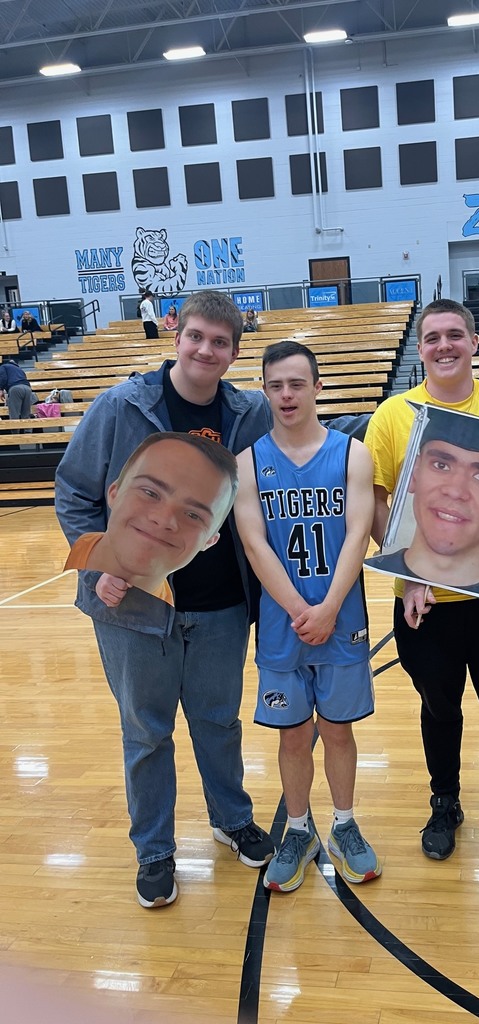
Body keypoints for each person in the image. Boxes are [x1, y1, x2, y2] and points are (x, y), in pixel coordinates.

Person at [55, 291, 277, 909]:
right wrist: (99, 561)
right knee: (146, 734)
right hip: (133, 607)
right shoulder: (121, 405)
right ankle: (154, 852)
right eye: (197, 336)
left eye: (220, 342)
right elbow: (74, 492)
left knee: (219, 722)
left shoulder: (250, 414)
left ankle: (231, 820)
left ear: (234, 353)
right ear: (176, 335)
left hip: (222, 604)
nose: (206, 350)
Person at [365, 298, 479, 864]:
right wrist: (411, 572)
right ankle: (444, 802)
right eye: (432, 338)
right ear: (420, 350)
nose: (443, 346)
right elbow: (376, 503)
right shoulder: (392, 416)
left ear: (473, 342)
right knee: (439, 708)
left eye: (453, 335)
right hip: (424, 603)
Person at [235, 340, 380, 893]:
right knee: (293, 736)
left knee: (338, 730)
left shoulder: (352, 455)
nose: (287, 395)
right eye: (275, 386)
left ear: (318, 387)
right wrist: (302, 611)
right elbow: (255, 545)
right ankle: (299, 830)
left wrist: (329, 608)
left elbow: (358, 535)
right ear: (265, 391)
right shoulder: (248, 463)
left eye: (297, 384)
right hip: (284, 625)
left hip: (341, 617)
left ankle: (344, 824)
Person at [366, 403, 479, 604]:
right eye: (441, 465)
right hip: (416, 601)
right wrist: (411, 578)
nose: (455, 491)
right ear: (413, 473)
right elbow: (374, 500)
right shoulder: (390, 415)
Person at [63, 432, 238, 605]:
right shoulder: (84, 547)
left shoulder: (162, 604)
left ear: (210, 540)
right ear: (114, 493)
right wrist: (94, 577)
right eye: (150, 493)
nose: (163, 519)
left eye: (193, 515)